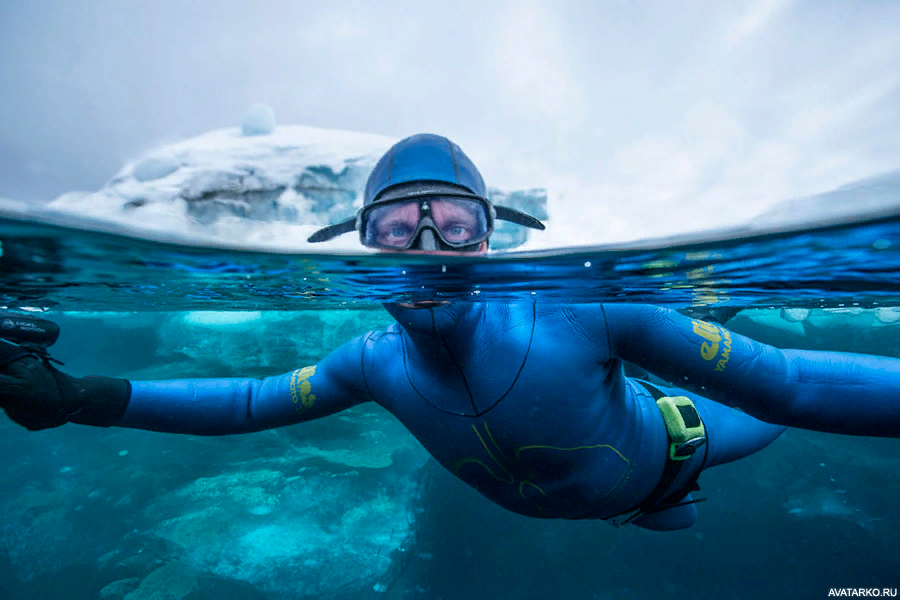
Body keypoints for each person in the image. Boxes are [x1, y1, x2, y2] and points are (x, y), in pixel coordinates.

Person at [1, 134, 898, 531]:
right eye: (397, 230)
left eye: (453, 226)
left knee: (754, 413)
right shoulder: (372, 363)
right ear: (361, 246)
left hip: (675, 451)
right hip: (627, 490)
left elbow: (791, 387)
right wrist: (80, 398)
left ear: (491, 233)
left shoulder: (584, 310)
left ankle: (702, 326)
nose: (429, 251)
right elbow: (246, 400)